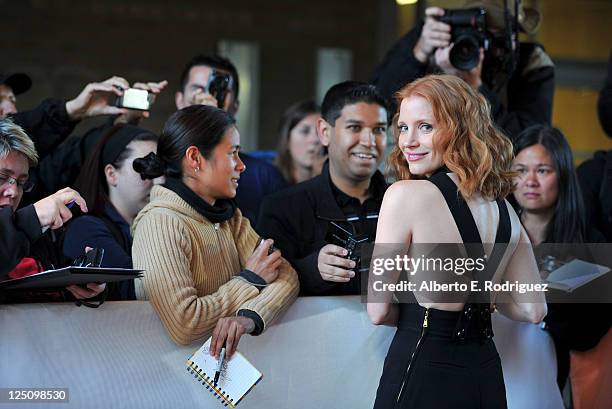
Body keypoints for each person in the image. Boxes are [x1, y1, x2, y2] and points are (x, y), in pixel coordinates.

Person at [367, 75, 546, 408]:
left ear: (460, 130)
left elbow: (377, 311)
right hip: (486, 372)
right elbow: (533, 309)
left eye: (425, 127)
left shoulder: (404, 196)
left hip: (424, 363)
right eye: (403, 127)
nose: (408, 141)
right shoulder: (505, 209)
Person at [131, 105, 298, 354]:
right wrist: (250, 281)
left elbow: (286, 276)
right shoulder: (160, 223)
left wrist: (248, 317)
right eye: (233, 153)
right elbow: (185, 324)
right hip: (166, 385)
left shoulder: (230, 218)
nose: (242, 166)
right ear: (195, 159)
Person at [257, 81, 390, 296]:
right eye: (354, 127)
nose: (369, 141)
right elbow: (263, 288)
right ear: (325, 132)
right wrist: (312, 269)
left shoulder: (403, 205)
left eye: (379, 130)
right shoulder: (283, 208)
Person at [510, 125, 611, 392]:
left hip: (555, 380)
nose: (530, 181)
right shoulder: (493, 234)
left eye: (542, 171)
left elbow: (589, 334)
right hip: (495, 374)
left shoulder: (591, 246)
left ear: (563, 175)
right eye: (520, 170)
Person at [371, 0, 554, 141]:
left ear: (513, 38)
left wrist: (475, 88)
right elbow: (378, 106)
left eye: (491, 35)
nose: (478, 44)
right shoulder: (433, 42)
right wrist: (419, 53)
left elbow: (529, 139)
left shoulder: (529, 61)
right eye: (473, 30)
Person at [0, 118, 105, 302]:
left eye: (21, 183)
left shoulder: (37, 239)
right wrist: (32, 218)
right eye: (2, 177)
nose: (14, 192)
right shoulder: (29, 225)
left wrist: (79, 287)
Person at [175, 54, 286, 225]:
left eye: (218, 89)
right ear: (180, 100)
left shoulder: (264, 176)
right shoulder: (161, 164)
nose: (207, 96)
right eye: (198, 88)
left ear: (235, 106)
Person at [62, 125, 158, 300]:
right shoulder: (86, 229)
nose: (158, 179)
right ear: (111, 174)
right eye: (144, 167)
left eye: (160, 168)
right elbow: (139, 288)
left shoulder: (153, 227)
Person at [275, 100, 325, 185]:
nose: (315, 139)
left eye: (320, 132)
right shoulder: (269, 180)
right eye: (305, 131)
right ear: (287, 140)